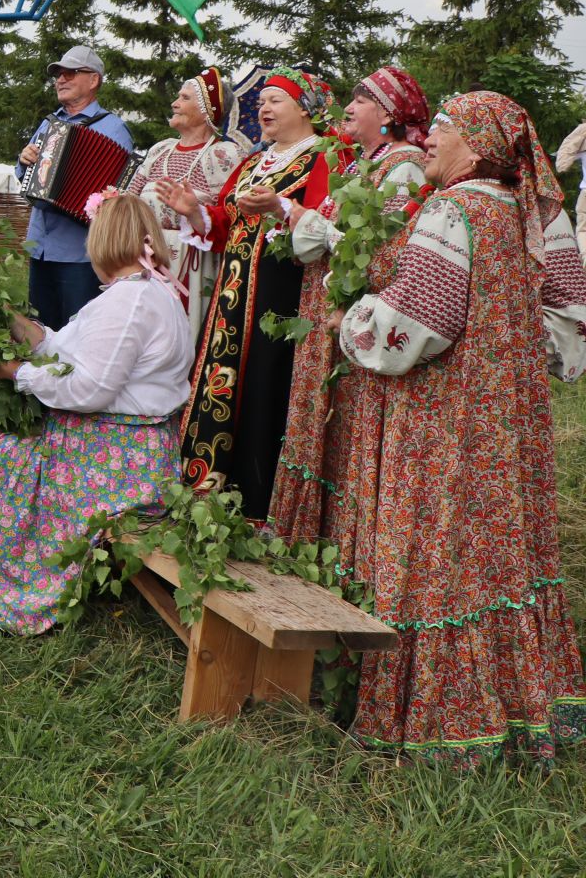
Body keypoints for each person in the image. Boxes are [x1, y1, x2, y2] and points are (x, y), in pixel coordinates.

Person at [325, 92, 586, 762]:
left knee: (441, 549)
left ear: (474, 146)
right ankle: (530, 712)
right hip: (510, 421)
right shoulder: (529, 215)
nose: (430, 139)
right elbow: (573, 319)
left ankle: (447, 726)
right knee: (501, 552)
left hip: (446, 418)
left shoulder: (454, 211)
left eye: (441, 128)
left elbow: (415, 330)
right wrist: (526, 357)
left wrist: (352, 323)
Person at [0, 192, 193, 633]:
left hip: (112, 465)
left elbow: (88, 388)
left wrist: (15, 373)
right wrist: (8, 315)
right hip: (120, 455)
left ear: (103, 238)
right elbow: (62, 347)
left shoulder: (130, 304)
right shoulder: (141, 292)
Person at [269, 65, 433, 562]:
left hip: (353, 312)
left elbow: (386, 252)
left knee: (345, 419)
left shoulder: (403, 166)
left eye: (361, 100)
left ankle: (344, 547)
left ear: (386, 114)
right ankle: (310, 541)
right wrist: (296, 221)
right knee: (324, 413)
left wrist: (300, 218)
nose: (349, 108)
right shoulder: (365, 165)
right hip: (328, 308)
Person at [157, 68, 332, 518]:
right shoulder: (253, 162)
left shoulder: (325, 158)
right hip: (231, 304)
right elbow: (224, 226)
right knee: (222, 384)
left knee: (263, 388)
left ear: (304, 108)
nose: (264, 108)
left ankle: (254, 506)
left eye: (275, 100)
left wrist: (282, 207)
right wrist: (195, 211)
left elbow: (326, 231)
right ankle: (203, 495)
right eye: (263, 101)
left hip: (283, 299)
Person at [16, 46, 135, 331]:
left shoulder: (114, 129)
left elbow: (118, 196)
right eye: (58, 74)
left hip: (81, 253)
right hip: (41, 248)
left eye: (70, 73)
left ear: (93, 80)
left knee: (78, 332)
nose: (60, 79)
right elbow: (27, 176)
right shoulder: (49, 123)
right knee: (40, 330)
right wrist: (24, 161)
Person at [127, 67, 244, 340]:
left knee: (182, 337)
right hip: (145, 258)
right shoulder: (160, 150)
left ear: (207, 110)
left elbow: (232, 217)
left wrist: (193, 212)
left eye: (184, 98)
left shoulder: (224, 154)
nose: (174, 103)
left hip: (192, 265)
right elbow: (129, 198)